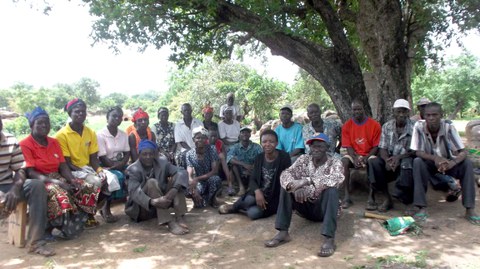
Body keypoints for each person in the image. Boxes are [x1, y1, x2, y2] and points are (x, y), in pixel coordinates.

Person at [20, 107, 100, 239]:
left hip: (58, 176)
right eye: (39, 122)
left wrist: (71, 179)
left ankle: (80, 221)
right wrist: (56, 182)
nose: (44, 125)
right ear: (32, 125)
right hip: (39, 180)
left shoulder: (54, 142)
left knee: (85, 186)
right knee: (59, 193)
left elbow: (63, 166)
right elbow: (30, 172)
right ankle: (50, 227)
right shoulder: (25, 144)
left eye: (46, 122)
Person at [264, 133, 344, 258]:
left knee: (332, 190)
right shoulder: (303, 159)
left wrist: (306, 181)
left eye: (320, 146)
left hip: (323, 210)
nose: (316, 149)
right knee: (287, 187)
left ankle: (329, 239)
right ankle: (283, 232)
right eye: (313, 146)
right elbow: (286, 173)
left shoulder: (335, 162)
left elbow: (337, 178)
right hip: (305, 208)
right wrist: (294, 188)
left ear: (327, 147)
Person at [410, 102, 480, 225]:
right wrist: (435, 158)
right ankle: (421, 207)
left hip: (448, 162)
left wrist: (452, 163)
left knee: (467, 164)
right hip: (430, 163)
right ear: (423, 116)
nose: (431, 118)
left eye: (435, 115)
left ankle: (470, 209)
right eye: (428, 115)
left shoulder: (448, 127)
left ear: (441, 115)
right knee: (417, 162)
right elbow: (418, 152)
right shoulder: (419, 126)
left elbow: (462, 152)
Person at [0, 117, 54, 256]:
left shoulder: (10, 140)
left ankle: (36, 242)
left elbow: (20, 169)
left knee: (36, 185)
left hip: (6, 185)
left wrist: (15, 188)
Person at [55, 98, 109, 228]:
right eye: (77, 111)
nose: (80, 114)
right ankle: (87, 216)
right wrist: (87, 173)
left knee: (107, 180)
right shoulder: (62, 135)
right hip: (71, 170)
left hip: (87, 168)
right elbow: (66, 163)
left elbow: (93, 159)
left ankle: (93, 212)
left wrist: (100, 171)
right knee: (95, 182)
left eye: (83, 111)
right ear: (70, 114)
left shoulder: (90, 132)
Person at [219, 130, 291, 219]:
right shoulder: (259, 157)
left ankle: (243, 209)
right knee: (249, 200)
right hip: (260, 191)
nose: (267, 144)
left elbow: (287, 178)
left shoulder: (284, 157)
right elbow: (252, 179)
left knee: (253, 214)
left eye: (271, 142)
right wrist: (257, 192)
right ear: (261, 143)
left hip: (274, 196)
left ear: (276, 143)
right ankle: (234, 207)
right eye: (264, 142)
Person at [125, 140, 189, 235]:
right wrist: (153, 201)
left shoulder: (162, 162)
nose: (148, 157)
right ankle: (169, 222)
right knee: (151, 182)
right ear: (139, 155)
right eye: (144, 154)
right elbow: (134, 192)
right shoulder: (133, 169)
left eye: (151, 154)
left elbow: (181, 172)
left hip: (162, 203)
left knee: (177, 179)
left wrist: (174, 189)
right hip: (142, 209)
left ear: (155, 154)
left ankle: (179, 216)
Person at [366, 99, 415, 212]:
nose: (401, 114)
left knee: (407, 163)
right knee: (373, 162)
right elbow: (382, 147)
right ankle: (387, 198)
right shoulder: (387, 126)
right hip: (391, 159)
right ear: (394, 112)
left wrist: (398, 158)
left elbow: (416, 151)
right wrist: (387, 160)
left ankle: (406, 199)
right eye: (398, 111)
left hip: (406, 159)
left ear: (408, 113)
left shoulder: (414, 127)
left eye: (404, 111)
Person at [340, 99, 381, 208]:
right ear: (351, 111)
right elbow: (348, 146)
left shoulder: (374, 125)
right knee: (344, 161)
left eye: (359, 109)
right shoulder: (347, 126)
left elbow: (376, 146)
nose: (357, 112)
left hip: (369, 154)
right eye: (354, 109)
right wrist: (356, 157)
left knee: (373, 161)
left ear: (364, 109)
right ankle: (347, 197)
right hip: (354, 155)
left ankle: (371, 197)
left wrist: (366, 157)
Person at [97, 106, 131, 218]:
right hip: (105, 166)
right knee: (117, 177)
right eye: (114, 116)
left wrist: (121, 164)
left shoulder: (123, 134)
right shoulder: (100, 135)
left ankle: (132, 205)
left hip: (121, 164)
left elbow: (127, 153)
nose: (117, 118)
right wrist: (116, 166)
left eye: (119, 116)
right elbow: (102, 157)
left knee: (134, 172)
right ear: (107, 118)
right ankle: (105, 207)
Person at [186, 127, 222, 208]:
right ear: (193, 139)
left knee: (215, 179)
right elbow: (189, 174)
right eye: (197, 138)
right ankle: (199, 199)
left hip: (210, 179)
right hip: (199, 183)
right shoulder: (189, 154)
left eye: (203, 137)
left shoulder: (212, 149)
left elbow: (214, 171)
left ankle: (211, 199)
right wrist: (193, 188)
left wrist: (197, 178)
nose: (200, 140)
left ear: (206, 139)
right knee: (186, 188)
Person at [226, 127, 263, 196]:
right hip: (240, 172)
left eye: (247, 132)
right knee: (233, 165)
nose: (245, 134)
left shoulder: (256, 147)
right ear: (239, 135)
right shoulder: (235, 147)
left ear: (250, 135)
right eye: (243, 132)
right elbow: (229, 158)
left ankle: (250, 187)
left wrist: (253, 167)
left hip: (253, 171)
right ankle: (241, 187)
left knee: (258, 166)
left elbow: (262, 158)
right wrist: (243, 165)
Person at [174, 103, 204, 168]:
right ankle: (189, 176)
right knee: (187, 156)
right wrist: (192, 151)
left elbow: (202, 137)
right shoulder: (178, 125)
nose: (187, 112)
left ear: (191, 110)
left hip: (199, 148)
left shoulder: (198, 122)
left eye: (188, 110)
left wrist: (198, 149)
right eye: (185, 110)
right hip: (185, 149)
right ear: (181, 112)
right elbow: (181, 142)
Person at [207, 127, 232, 195]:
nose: (213, 138)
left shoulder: (220, 142)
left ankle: (230, 185)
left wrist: (220, 159)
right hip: (207, 162)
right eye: (211, 136)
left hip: (219, 161)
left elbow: (224, 154)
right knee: (219, 158)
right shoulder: (205, 143)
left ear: (218, 136)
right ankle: (217, 187)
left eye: (215, 136)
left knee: (222, 157)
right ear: (208, 136)